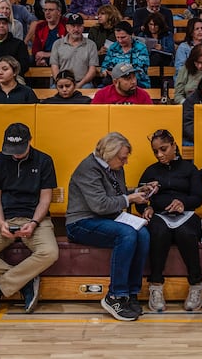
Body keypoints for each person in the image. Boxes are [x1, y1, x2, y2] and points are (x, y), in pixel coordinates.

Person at [0, 123, 59, 315]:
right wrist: (1, 223)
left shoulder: (44, 161)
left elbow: (45, 199)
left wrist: (33, 223)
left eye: (19, 149)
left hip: (35, 220)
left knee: (49, 252)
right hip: (4, 218)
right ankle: (25, 281)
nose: (15, 154)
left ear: (29, 141)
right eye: (11, 149)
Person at [66, 132, 153, 321]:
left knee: (143, 234)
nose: (126, 162)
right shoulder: (88, 168)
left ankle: (130, 293)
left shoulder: (114, 167)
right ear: (109, 155)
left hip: (105, 219)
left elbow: (117, 195)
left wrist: (138, 191)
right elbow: (100, 205)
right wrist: (130, 198)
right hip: (81, 222)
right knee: (127, 234)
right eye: (123, 158)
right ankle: (115, 295)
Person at [136, 129, 202, 312]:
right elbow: (139, 198)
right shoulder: (150, 171)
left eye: (164, 149)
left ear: (174, 146)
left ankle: (196, 284)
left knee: (186, 233)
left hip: (187, 215)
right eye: (156, 151)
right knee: (158, 232)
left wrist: (183, 202)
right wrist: (146, 208)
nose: (160, 155)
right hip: (160, 216)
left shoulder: (190, 169)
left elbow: (197, 198)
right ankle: (155, 286)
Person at [49, 13, 99, 89]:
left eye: (79, 26)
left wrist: (80, 84)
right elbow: (54, 67)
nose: (76, 29)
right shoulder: (57, 44)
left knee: (88, 88)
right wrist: (61, 83)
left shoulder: (91, 45)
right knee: (52, 90)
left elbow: (92, 70)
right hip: (62, 82)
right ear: (67, 28)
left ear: (83, 27)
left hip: (83, 83)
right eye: (73, 26)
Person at [100, 21, 151, 89]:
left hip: (137, 83)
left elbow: (141, 70)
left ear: (131, 35)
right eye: (117, 37)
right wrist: (105, 72)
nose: (120, 40)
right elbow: (104, 66)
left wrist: (120, 75)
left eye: (123, 37)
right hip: (114, 83)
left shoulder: (141, 47)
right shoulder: (113, 47)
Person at [32, 0, 67, 67]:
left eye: (51, 10)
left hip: (61, 57)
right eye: (45, 10)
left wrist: (48, 55)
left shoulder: (67, 24)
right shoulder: (40, 26)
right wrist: (40, 57)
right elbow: (35, 48)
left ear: (59, 12)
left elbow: (68, 49)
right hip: (43, 57)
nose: (47, 13)